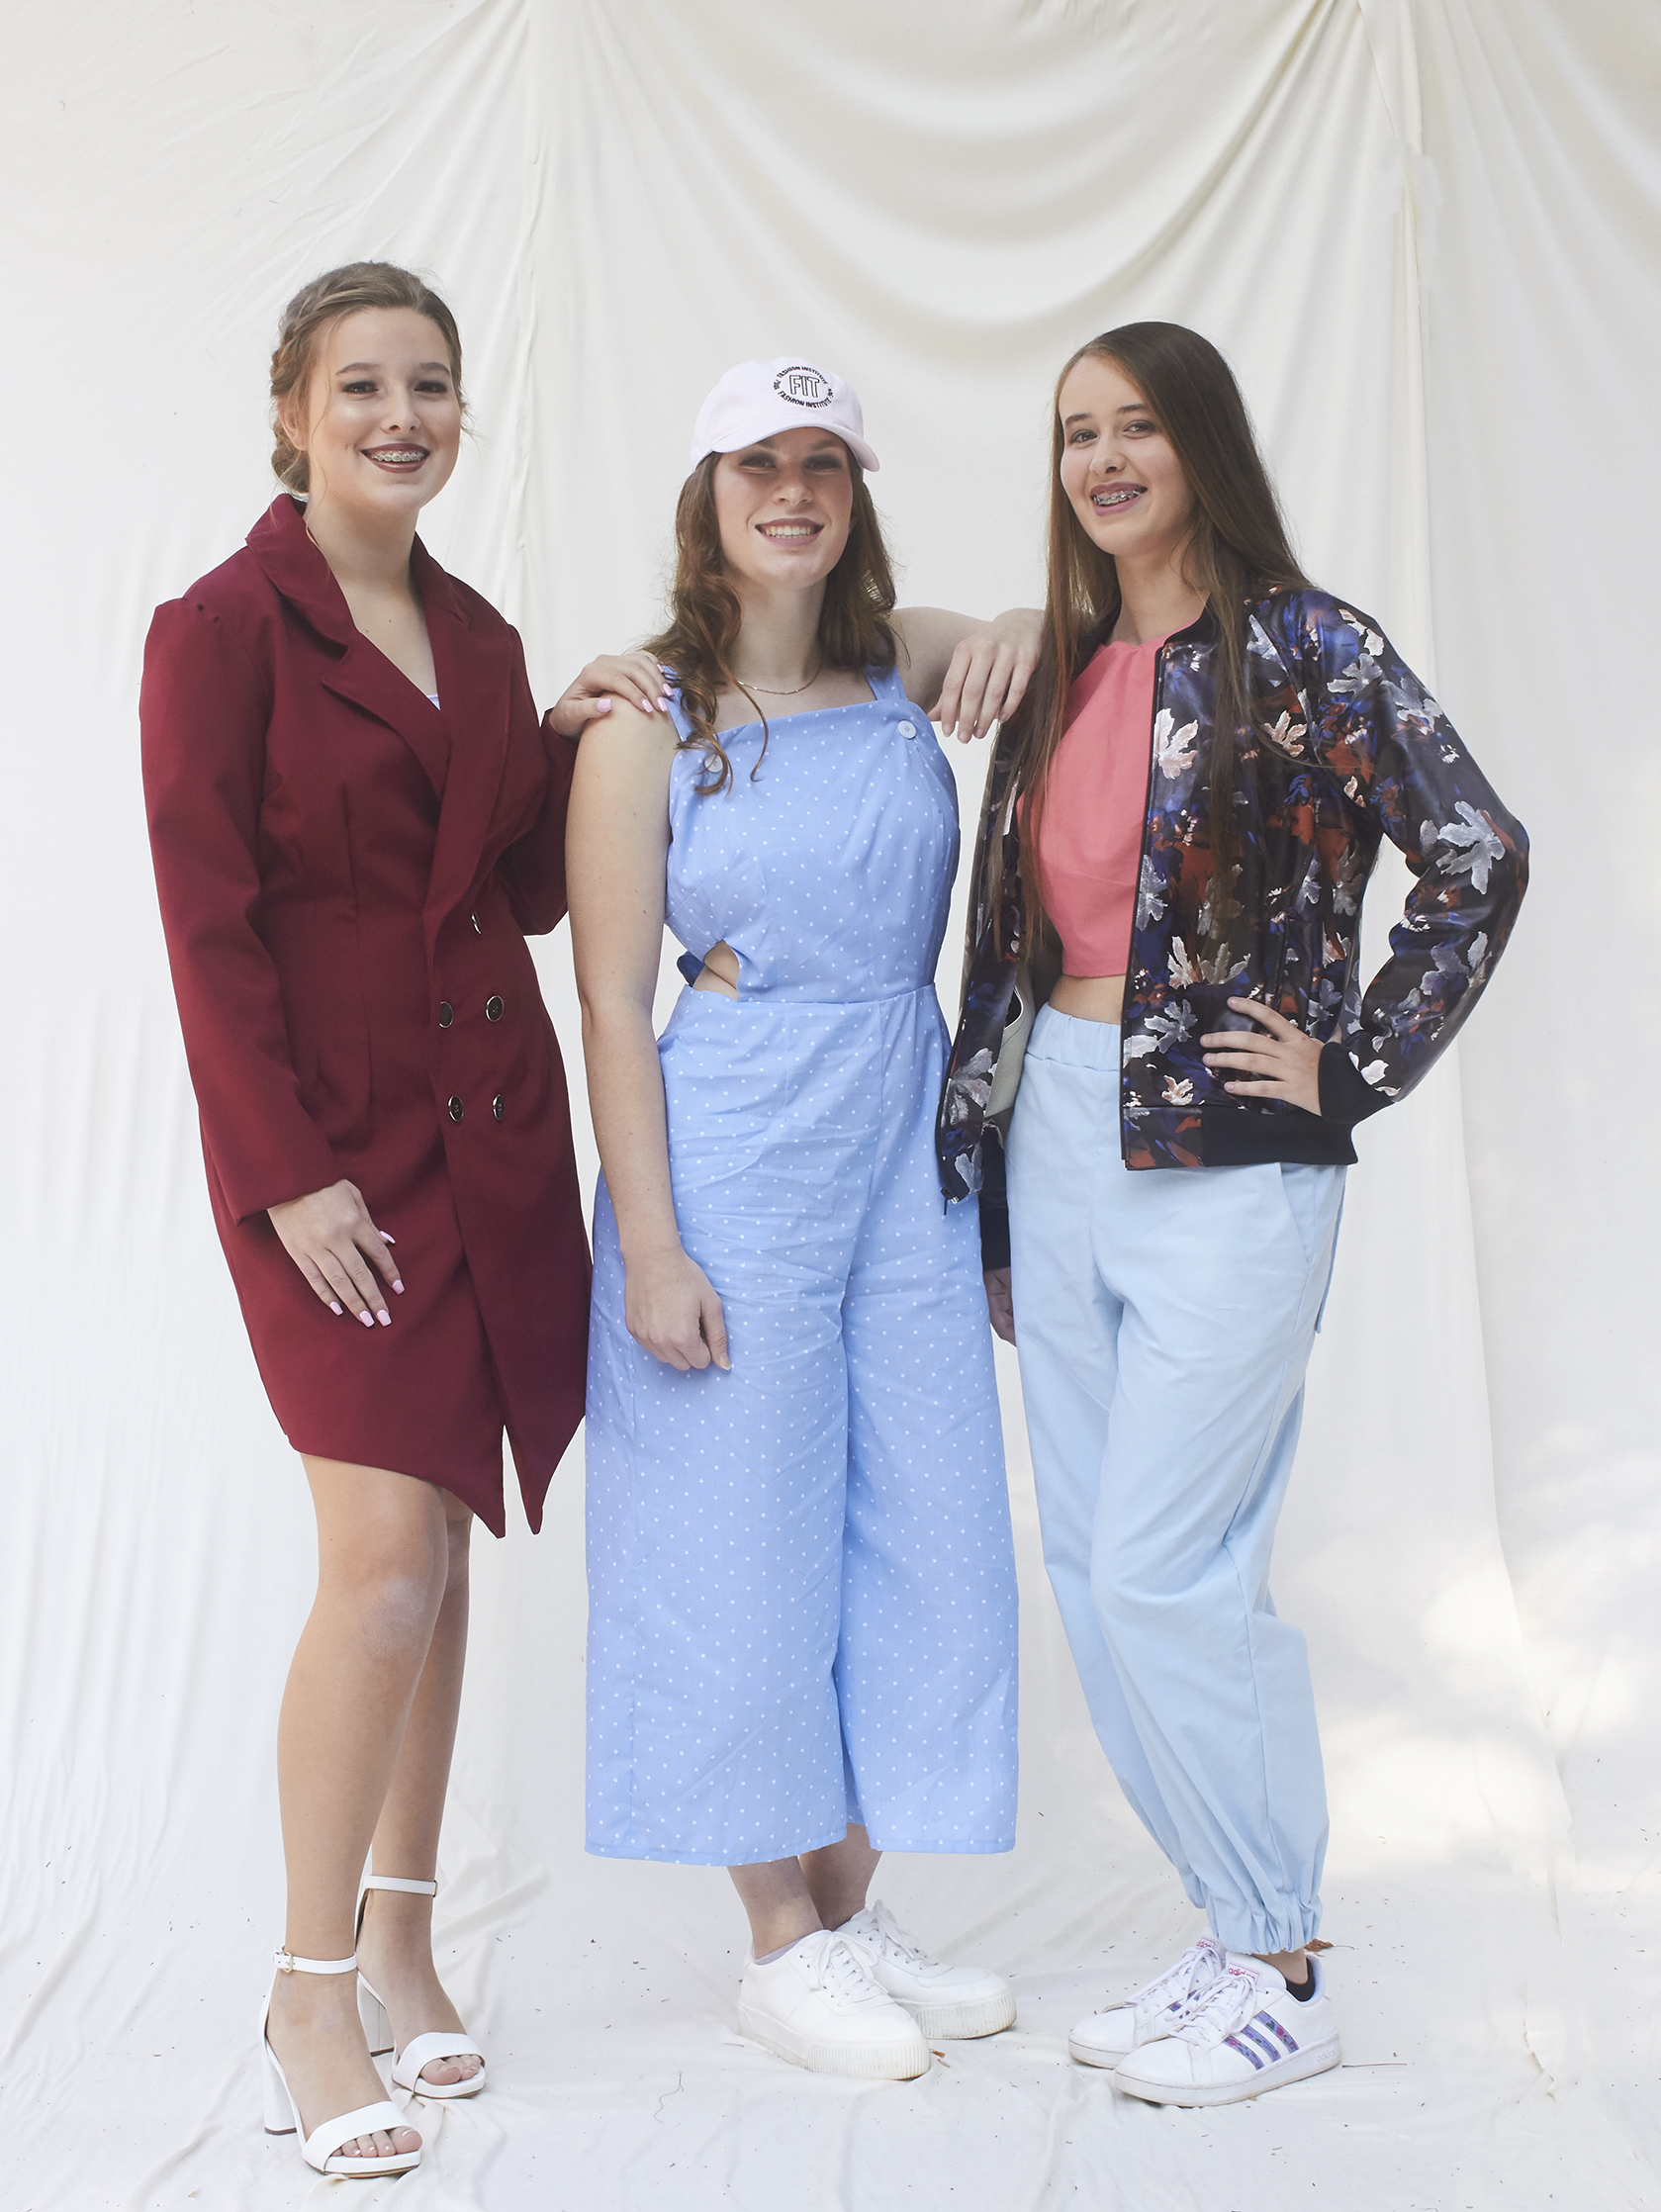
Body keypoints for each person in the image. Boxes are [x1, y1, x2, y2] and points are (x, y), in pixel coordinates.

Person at [937, 321, 1528, 2107]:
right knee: (1094, 1577)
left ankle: (1286, 1959)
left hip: (1231, 1164)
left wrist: (1351, 1065)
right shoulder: (1062, 670)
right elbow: (1013, 927)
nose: (1103, 461)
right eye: (1074, 436)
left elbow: (1480, 855)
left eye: (1134, 429)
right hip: (1059, 1132)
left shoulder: (1315, 650)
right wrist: (995, 1210)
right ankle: (1226, 1931)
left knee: (1169, 1571)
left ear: (1200, 442)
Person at [140, 263, 629, 2175]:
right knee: (385, 1568)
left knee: (445, 1539)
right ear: (289, 407)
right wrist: (284, 1176)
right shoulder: (220, 630)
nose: (401, 417)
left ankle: (413, 1950)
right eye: (362, 388)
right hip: (328, 1164)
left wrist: (578, 725)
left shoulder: (483, 635)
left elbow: (509, 885)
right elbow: (206, 931)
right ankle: (302, 1993)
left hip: (487, 1140)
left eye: (430, 386)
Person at [567, 358, 1035, 2079]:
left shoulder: (900, 661)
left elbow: (1049, 640)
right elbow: (614, 998)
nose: (793, 488)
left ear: (854, 489)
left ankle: (851, 1901)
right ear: (707, 491)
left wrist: (1001, 615)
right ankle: (780, 1935)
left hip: (900, 1121)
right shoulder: (642, 717)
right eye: (759, 461)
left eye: (823, 460)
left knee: (919, 1512)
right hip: (737, 1125)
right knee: (733, 1526)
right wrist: (661, 1242)